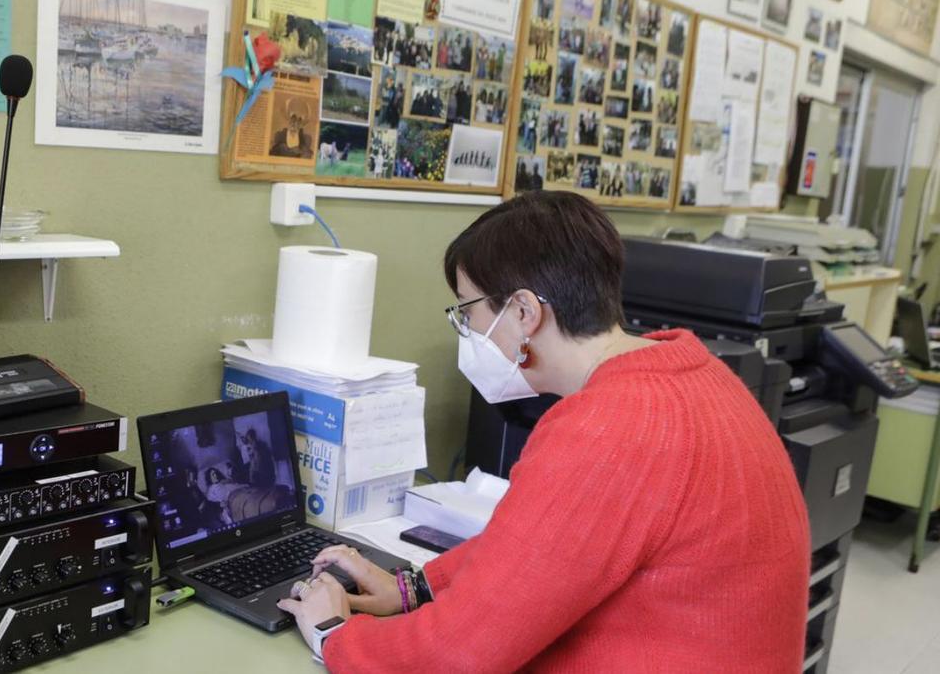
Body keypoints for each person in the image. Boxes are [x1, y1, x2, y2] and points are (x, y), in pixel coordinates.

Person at [276, 191, 811, 672]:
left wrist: (334, 634)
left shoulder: (609, 428)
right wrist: (413, 588)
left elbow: (456, 657)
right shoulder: (692, 372)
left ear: (525, 311)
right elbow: (537, 554)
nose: (469, 332)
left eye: (469, 312)